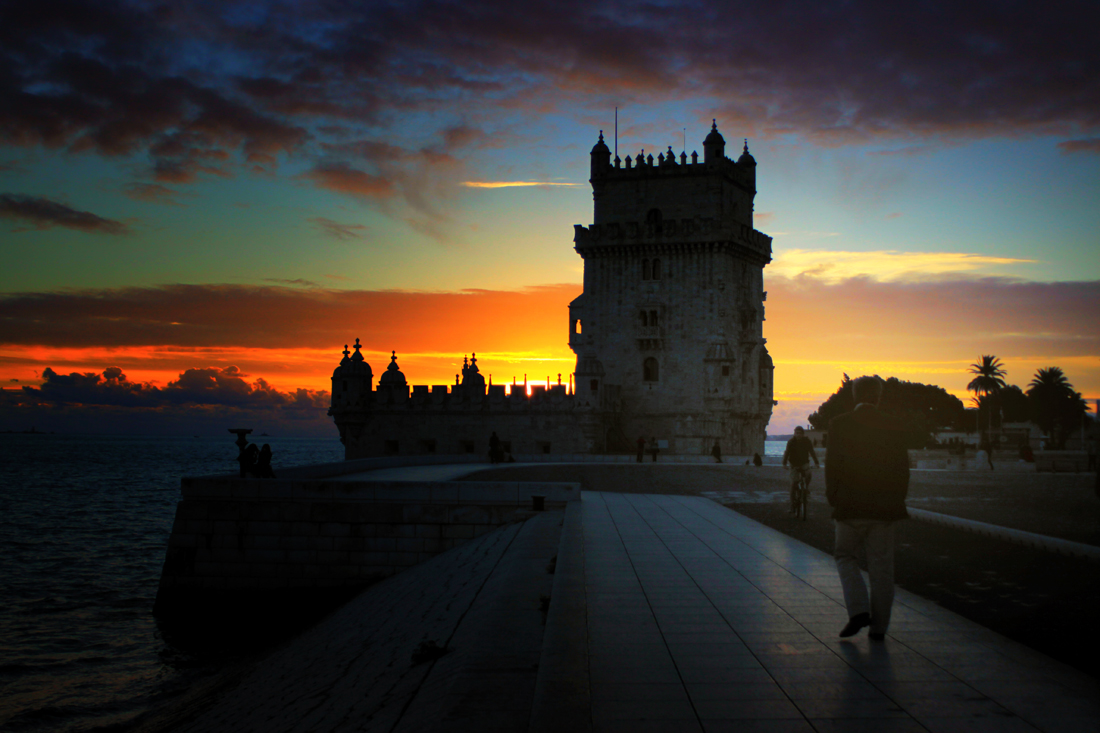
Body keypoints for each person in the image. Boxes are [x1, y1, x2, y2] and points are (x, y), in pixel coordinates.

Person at [825, 376, 909, 641]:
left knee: (844, 557)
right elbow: (902, 470)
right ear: (878, 396)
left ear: (854, 395)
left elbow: (832, 465)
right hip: (883, 510)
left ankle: (858, 609)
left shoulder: (840, 424)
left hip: (849, 508)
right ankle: (879, 629)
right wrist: (896, 501)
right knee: (882, 569)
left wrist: (834, 498)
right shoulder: (894, 426)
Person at [782, 427, 820, 514]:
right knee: (793, 484)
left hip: (804, 463)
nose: (798, 435)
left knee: (808, 474)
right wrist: (784, 463)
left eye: (800, 433)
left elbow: (812, 452)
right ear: (794, 433)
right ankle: (792, 506)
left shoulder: (807, 441)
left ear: (803, 434)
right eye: (797, 433)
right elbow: (787, 452)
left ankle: (806, 488)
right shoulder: (791, 442)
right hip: (793, 464)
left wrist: (816, 463)